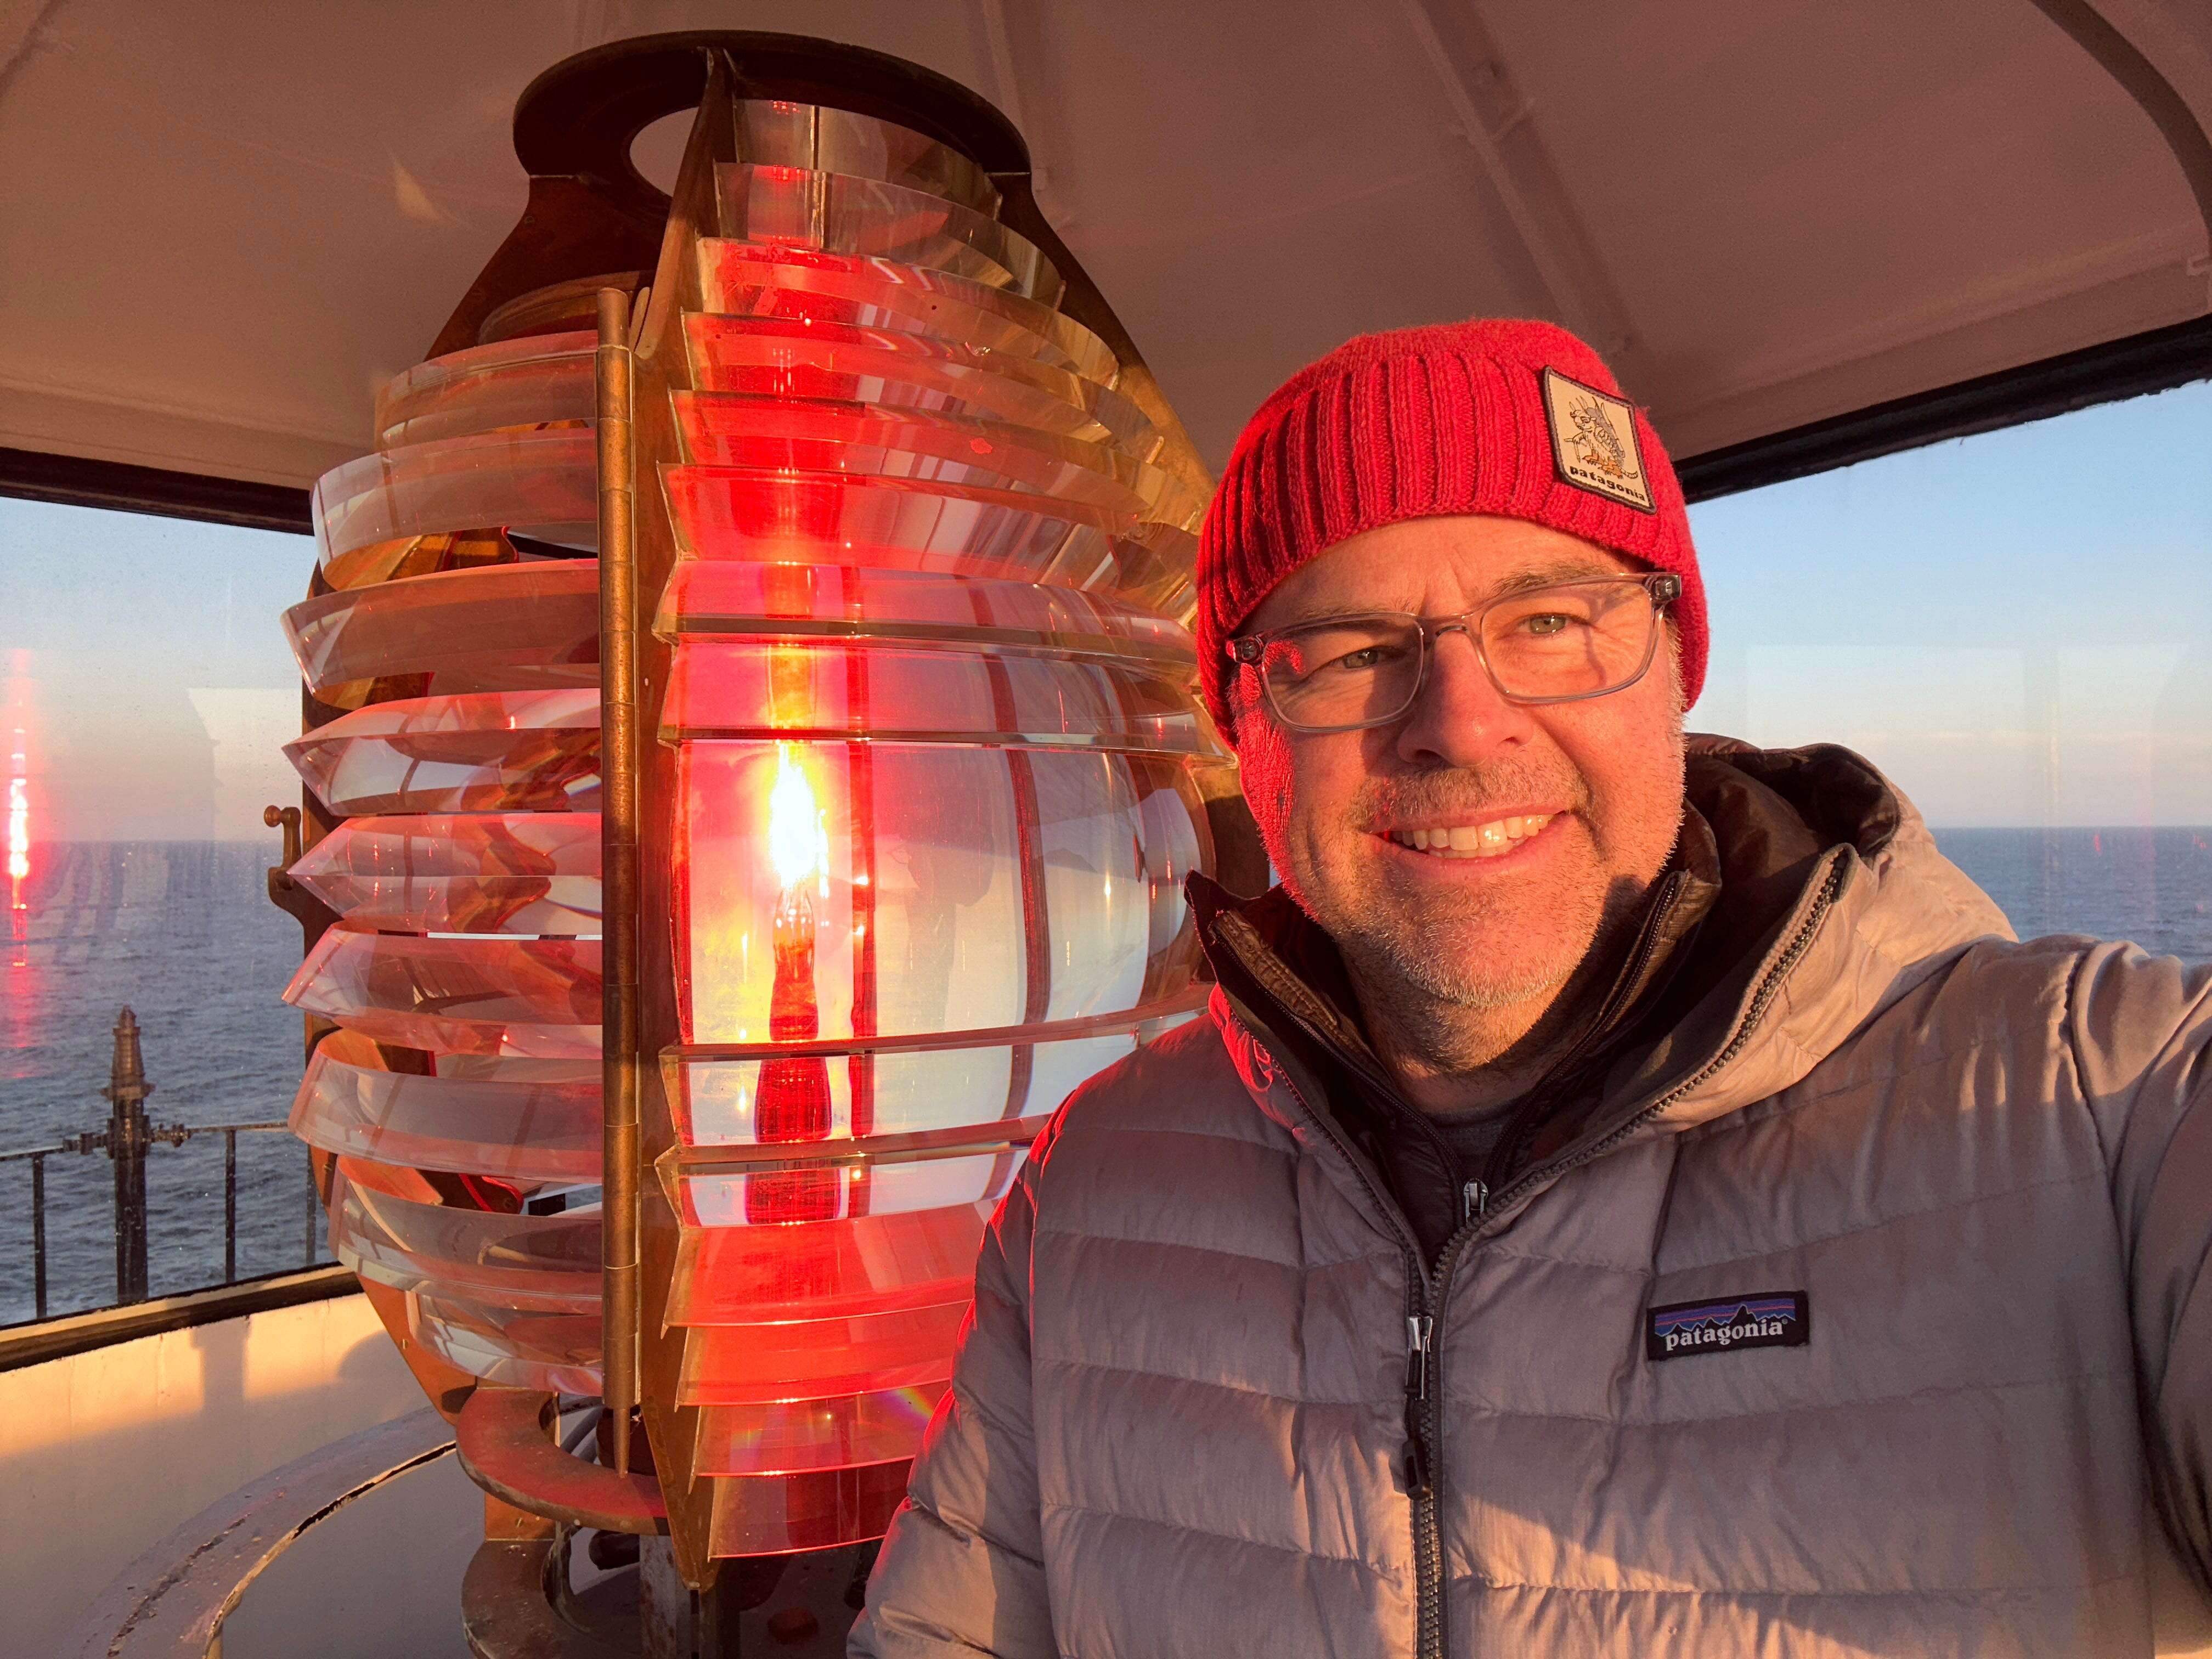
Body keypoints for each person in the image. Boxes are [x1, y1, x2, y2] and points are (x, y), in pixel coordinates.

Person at [848, 319, 2212, 1656]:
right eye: (1357, 650)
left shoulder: (2103, 1102)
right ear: (1244, 731)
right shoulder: (1096, 1190)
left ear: (1676, 664)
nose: (1458, 719)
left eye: (1551, 619)